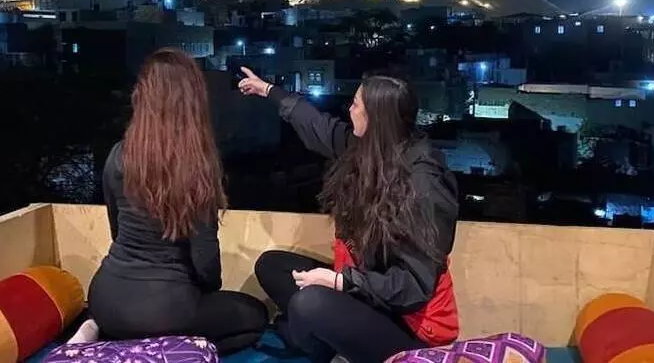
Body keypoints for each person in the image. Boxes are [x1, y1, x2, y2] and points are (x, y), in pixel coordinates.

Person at [238, 68, 459, 363]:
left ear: (376, 117)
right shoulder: (372, 148)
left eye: (355, 105)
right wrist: (268, 90)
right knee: (273, 266)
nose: (349, 110)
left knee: (309, 303)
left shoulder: (423, 184)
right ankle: (323, 339)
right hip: (370, 295)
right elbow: (319, 127)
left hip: (411, 328)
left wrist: (341, 283)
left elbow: (413, 288)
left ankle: (315, 339)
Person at [77, 49, 268, 353]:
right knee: (255, 316)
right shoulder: (197, 166)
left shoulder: (118, 154)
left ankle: (124, 343)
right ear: (192, 100)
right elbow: (207, 266)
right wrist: (195, 294)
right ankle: (166, 350)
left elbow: (116, 230)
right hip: (167, 308)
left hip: (105, 302)